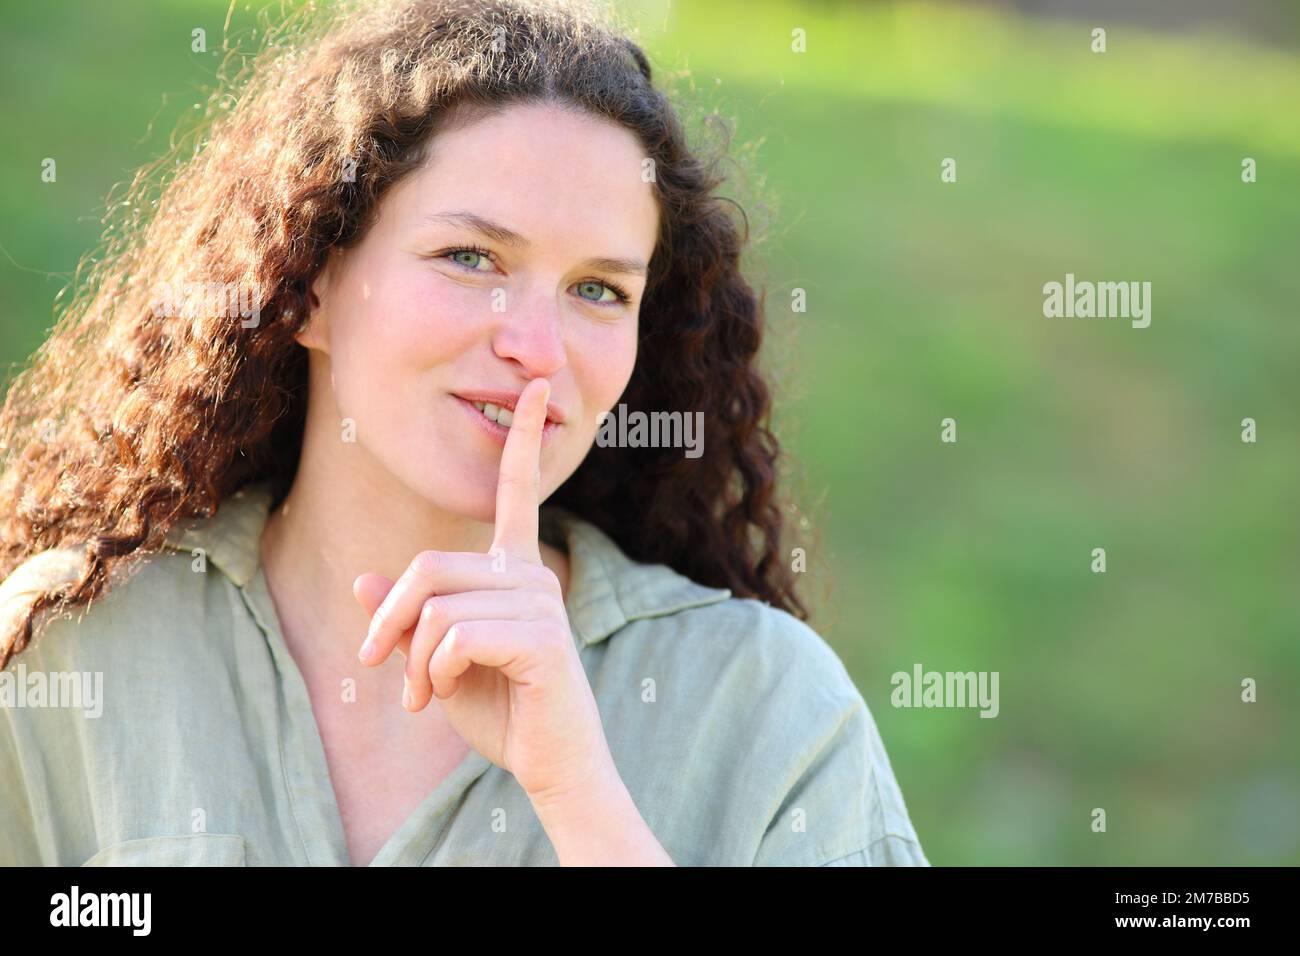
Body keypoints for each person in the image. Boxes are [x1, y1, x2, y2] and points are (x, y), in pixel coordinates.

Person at [0, 0, 928, 866]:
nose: (537, 348)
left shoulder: (772, 708)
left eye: (599, 290)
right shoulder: (74, 647)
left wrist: (578, 793)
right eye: (470, 257)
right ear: (307, 287)